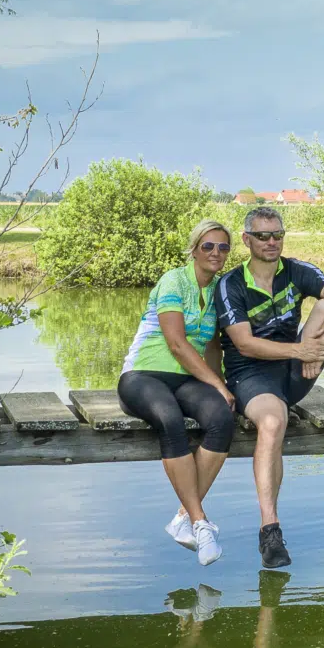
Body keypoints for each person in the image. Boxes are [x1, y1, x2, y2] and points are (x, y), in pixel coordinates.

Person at [213, 205, 324, 567]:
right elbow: (243, 344)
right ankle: (270, 530)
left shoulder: (296, 270)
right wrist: (302, 349)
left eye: (277, 234)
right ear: (246, 240)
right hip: (251, 375)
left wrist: (316, 344)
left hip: (294, 371)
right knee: (273, 423)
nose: (271, 241)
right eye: (262, 236)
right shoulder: (230, 284)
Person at [116, 218, 239, 566]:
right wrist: (215, 383)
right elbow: (177, 343)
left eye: (223, 247)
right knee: (170, 420)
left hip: (187, 379)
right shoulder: (174, 279)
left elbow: (213, 346)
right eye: (208, 246)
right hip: (143, 376)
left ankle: (183, 516)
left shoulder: (218, 290)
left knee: (221, 418)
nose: (216, 253)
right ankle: (200, 524)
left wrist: (221, 384)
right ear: (195, 249)